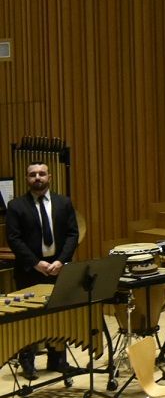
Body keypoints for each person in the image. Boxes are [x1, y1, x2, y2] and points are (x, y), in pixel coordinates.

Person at [4, 160, 80, 378]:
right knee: (29, 317)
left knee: (60, 315)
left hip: (58, 268)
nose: (37, 178)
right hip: (30, 270)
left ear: (49, 177)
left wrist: (61, 261)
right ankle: (27, 361)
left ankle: (58, 360)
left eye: (42, 174)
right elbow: (14, 239)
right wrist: (37, 263)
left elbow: (72, 234)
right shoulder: (16, 206)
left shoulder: (63, 202)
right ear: (27, 179)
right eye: (33, 175)